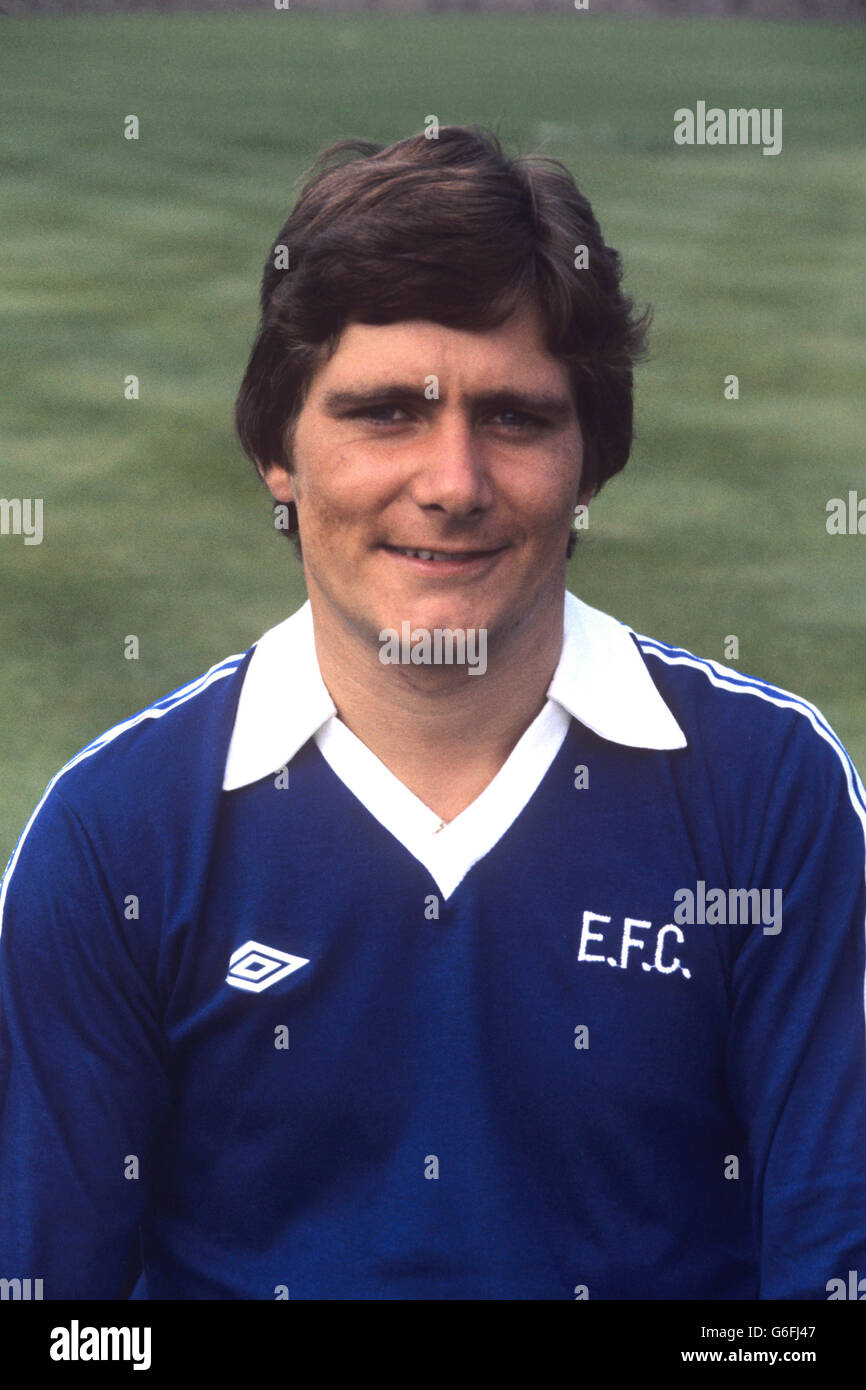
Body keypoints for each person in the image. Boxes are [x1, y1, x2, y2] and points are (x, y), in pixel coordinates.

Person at [1, 126, 863, 1301]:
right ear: (276, 450)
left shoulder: (770, 794)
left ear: (589, 458)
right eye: (382, 414)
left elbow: (824, 1286)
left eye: (512, 417)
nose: (452, 483)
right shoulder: (114, 838)